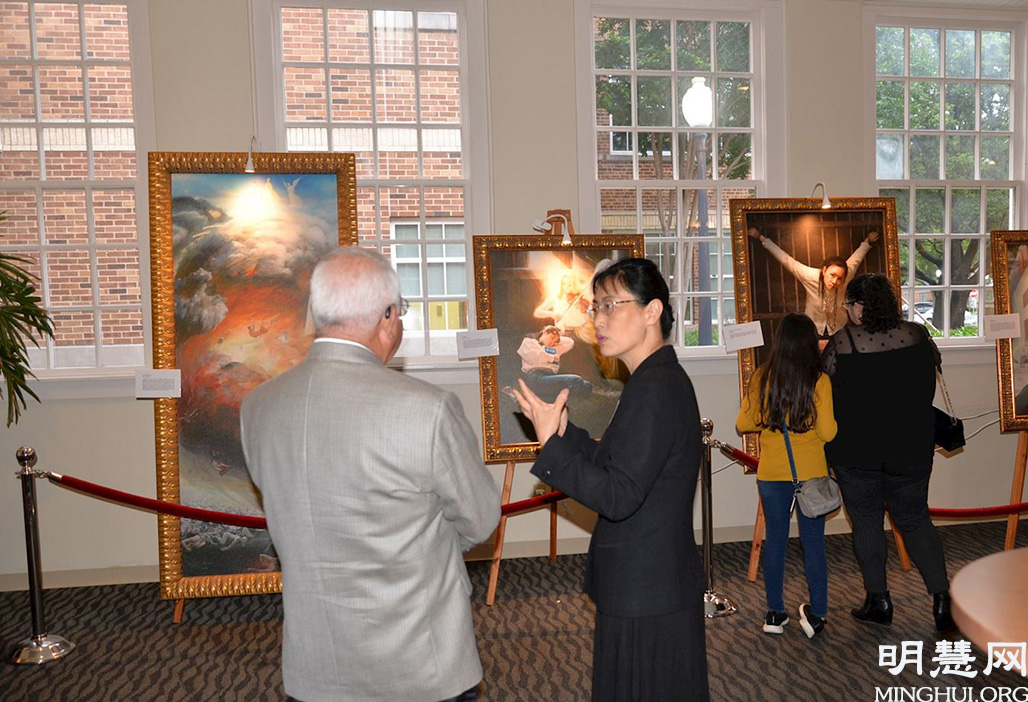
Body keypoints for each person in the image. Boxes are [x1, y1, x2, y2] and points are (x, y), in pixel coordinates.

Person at [240, 247, 500, 702]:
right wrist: (425, 540)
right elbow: (480, 521)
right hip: (421, 662)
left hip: (316, 667)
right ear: (388, 316)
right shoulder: (429, 409)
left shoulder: (258, 406)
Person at [511, 258, 708, 702]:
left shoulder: (655, 388)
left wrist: (551, 447)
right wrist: (563, 433)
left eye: (610, 305)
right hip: (649, 583)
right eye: (595, 307)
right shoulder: (651, 380)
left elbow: (619, 496)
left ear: (652, 311)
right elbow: (616, 464)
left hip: (647, 589)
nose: (598, 319)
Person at [821, 273, 955, 633]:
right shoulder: (917, 335)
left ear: (859, 307)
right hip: (911, 447)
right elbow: (929, 382)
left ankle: (879, 601)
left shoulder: (843, 342)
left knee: (866, 523)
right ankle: (943, 601)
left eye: (849, 304)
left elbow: (825, 392)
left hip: (857, 451)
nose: (848, 311)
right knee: (915, 520)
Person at [736, 313, 837, 638]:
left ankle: (775, 613)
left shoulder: (762, 377)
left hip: (772, 472)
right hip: (811, 473)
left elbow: (743, 423)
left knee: (776, 541)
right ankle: (817, 614)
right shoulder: (819, 381)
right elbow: (829, 433)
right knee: (814, 545)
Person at [748, 227, 880, 339]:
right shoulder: (810, 276)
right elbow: (787, 261)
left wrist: (867, 241)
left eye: (840, 278)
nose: (835, 281)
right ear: (824, 270)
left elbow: (857, 257)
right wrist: (762, 238)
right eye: (832, 275)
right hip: (813, 328)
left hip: (839, 327)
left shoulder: (847, 274)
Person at [516, 325, 593, 401]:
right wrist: (552, 358)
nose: (552, 342)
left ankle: (548, 396)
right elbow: (533, 357)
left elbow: (570, 342)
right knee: (576, 380)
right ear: (545, 332)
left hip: (551, 376)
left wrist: (558, 334)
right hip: (537, 377)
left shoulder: (554, 349)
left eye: (555, 342)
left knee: (587, 385)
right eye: (551, 338)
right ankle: (548, 396)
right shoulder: (529, 342)